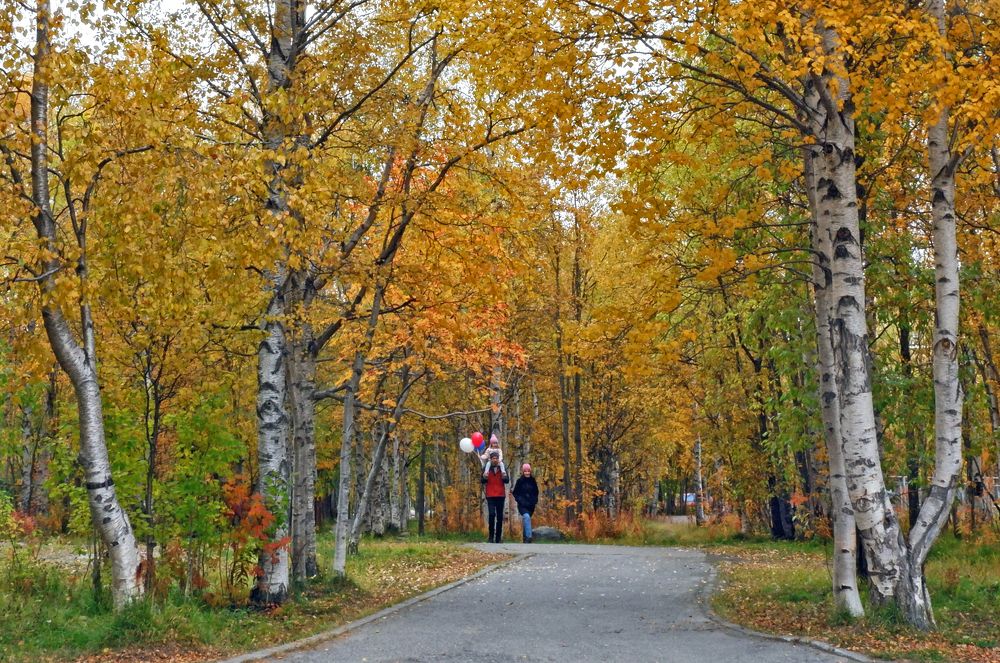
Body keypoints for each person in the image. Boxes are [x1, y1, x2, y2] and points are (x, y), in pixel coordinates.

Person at [481, 451, 509, 543]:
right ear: (491, 459)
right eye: (493, 458)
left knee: (500, 517)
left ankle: (498, 538)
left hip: (500, 495)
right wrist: (484, 477)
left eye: (496, 458)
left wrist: (504, 477)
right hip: (490, 495)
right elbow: (482, 481)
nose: (495, 460)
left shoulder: (502, 467)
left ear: (498, 459)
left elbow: (507, 481)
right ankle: (490, 537)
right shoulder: (486, 468)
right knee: (492, 515)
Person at [512, 463, 539, 543]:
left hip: (531, 505)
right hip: (522, 505)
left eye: (528, 471)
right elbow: (515, 493)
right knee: (526, 517)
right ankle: (529, 537)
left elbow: (536, 492)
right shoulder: (520, 481)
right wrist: (520, 500)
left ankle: (525, 538)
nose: (527, 473)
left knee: (526, 520)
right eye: (525, 471)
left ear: (530, 471)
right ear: (523, 472)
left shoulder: (533, 481)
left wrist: (534, 500)